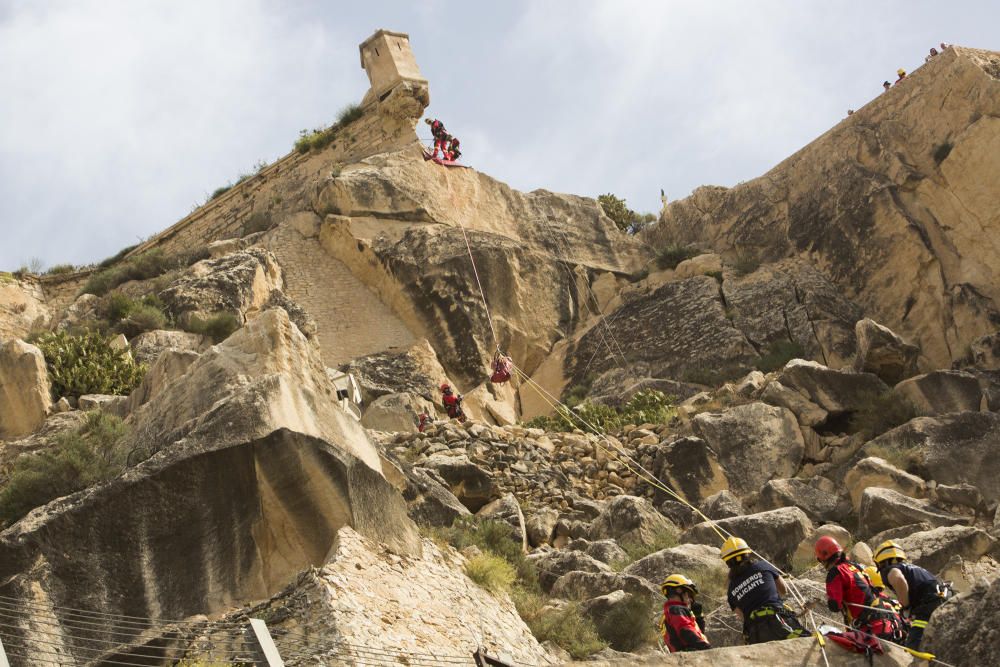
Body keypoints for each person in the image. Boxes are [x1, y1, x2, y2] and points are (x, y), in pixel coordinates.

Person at [817, 536, 906, 643]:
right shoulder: (856, 567)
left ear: (824, 556)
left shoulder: (836, 572)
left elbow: (835, 606)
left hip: (872, 630)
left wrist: (829, 597)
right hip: (888, 625)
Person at [722, 536, 805, 644]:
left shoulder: (730, 591)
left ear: (728, 562)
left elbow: (743, 617)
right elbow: (784, 590)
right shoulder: (763, 566)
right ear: (747, 553)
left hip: (756, 633)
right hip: (780, 620)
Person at [874, 540, 953, 650]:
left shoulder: (890, 570)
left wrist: (906, 606)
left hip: (930, 602)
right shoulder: (911, 568)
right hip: (945, 596)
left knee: (913, 645)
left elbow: (898, 579)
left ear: (879, 561)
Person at [659, 574, 711, 652]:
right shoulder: (676, 609)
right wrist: (706, 648)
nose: (690, 600)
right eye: (689, 595)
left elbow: (693, 634)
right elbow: (686, 630)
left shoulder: (670, 612)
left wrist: (698, 618)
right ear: (679, 591)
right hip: (691, 654)